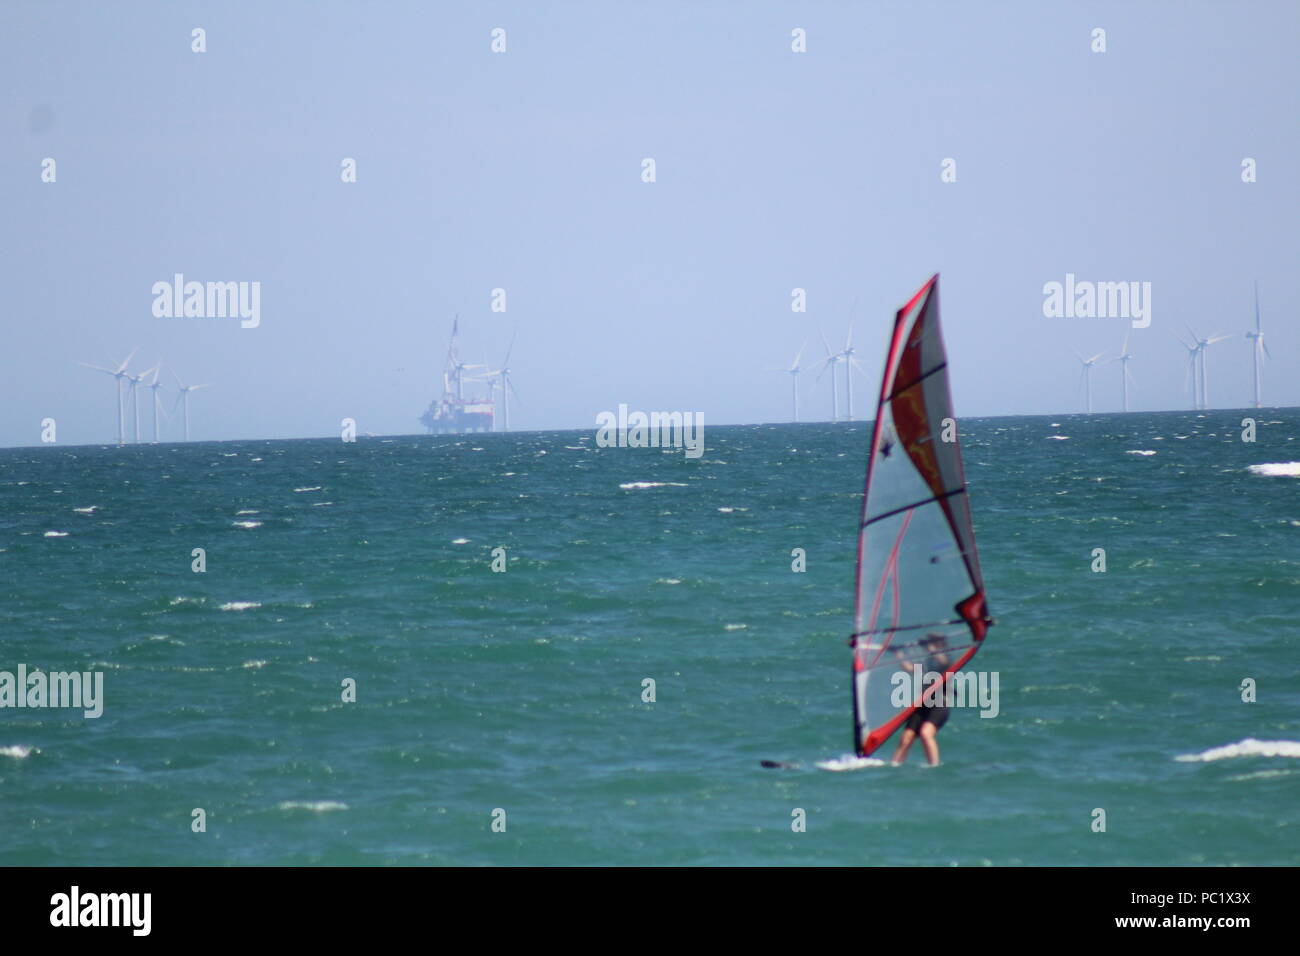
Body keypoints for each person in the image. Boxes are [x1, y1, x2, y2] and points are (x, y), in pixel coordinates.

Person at [890, 633, 951, 766]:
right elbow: (909, 668)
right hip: (922, 704)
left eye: (932, 643)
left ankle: (934, 766)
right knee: (906, 737)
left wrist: (931, 648)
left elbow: (943, 660)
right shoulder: (927, 661)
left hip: (939, 704)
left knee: (926, 733)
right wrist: (898, 654)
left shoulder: (945, 659)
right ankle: (895, 765)